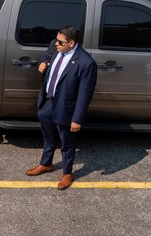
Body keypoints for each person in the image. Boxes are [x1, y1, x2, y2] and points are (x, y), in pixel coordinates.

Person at [26, 25, 97, 190]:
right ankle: (46, 164)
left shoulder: (86, 63)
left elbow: (85, 94)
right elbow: (48, 57)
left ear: (71, 43)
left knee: (67, 142)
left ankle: (67, 173)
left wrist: (77, 118)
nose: (55, 44)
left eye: (60, 42)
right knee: (48, 136)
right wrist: (43, 67)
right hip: (47, 101)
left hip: (66, 107)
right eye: (56, 40)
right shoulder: (55, 47)